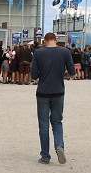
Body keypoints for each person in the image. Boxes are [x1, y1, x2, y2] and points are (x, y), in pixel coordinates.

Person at [30, 32, 76, 165]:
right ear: (56, 40)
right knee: (57, 121)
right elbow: (72, 73)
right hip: (58, 91)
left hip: (43, 92)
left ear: (44, 41)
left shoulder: (38, 53)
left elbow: (34, 74)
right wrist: (62, 73)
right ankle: (59, 146)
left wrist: (40, 78)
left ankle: (45, 155)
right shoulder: (65, 52)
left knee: (43, 124)